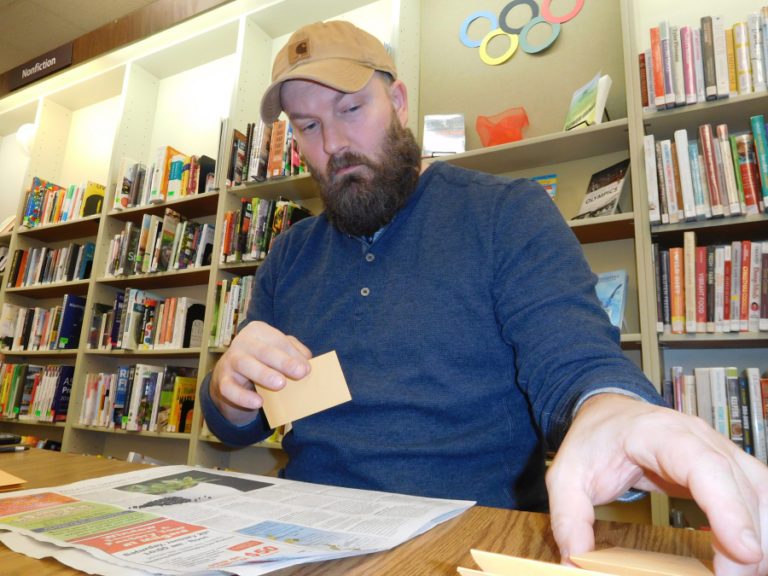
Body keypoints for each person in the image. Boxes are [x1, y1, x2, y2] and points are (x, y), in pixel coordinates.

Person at [202, 20, 768, 575]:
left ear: (397, 100)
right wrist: (229, 392)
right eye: (308, 126)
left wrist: (611, 408)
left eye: (351, 110)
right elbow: (239, 426)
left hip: (469, 539)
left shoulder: (507, 214)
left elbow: (572, 353)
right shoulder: (289, 254)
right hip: (304, 542)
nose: (335, 145)